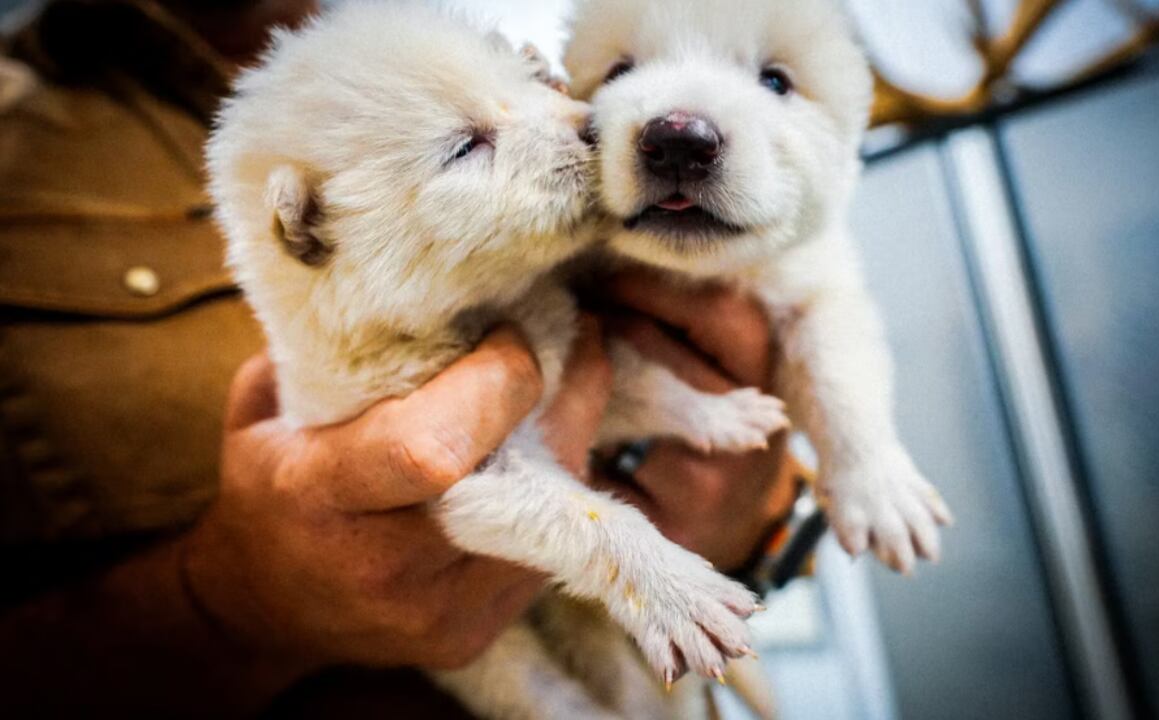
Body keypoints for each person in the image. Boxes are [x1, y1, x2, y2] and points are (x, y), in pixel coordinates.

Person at [0, 1, 800, 716]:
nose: (577, 120)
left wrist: (761, 512)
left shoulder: (449, 33)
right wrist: (227, 605)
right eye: (465, 149)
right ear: (312, 229)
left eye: (530, 88)